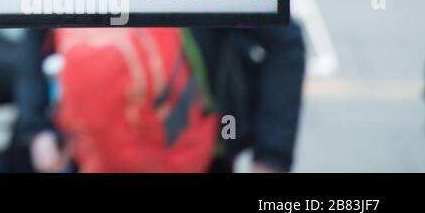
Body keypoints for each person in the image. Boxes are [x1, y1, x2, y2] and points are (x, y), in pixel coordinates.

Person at [15, 23, 306, 173]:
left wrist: (271, 156)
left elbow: (284, 40)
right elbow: (37, 31)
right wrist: (37, 128)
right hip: (95, 156)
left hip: (205, 155)